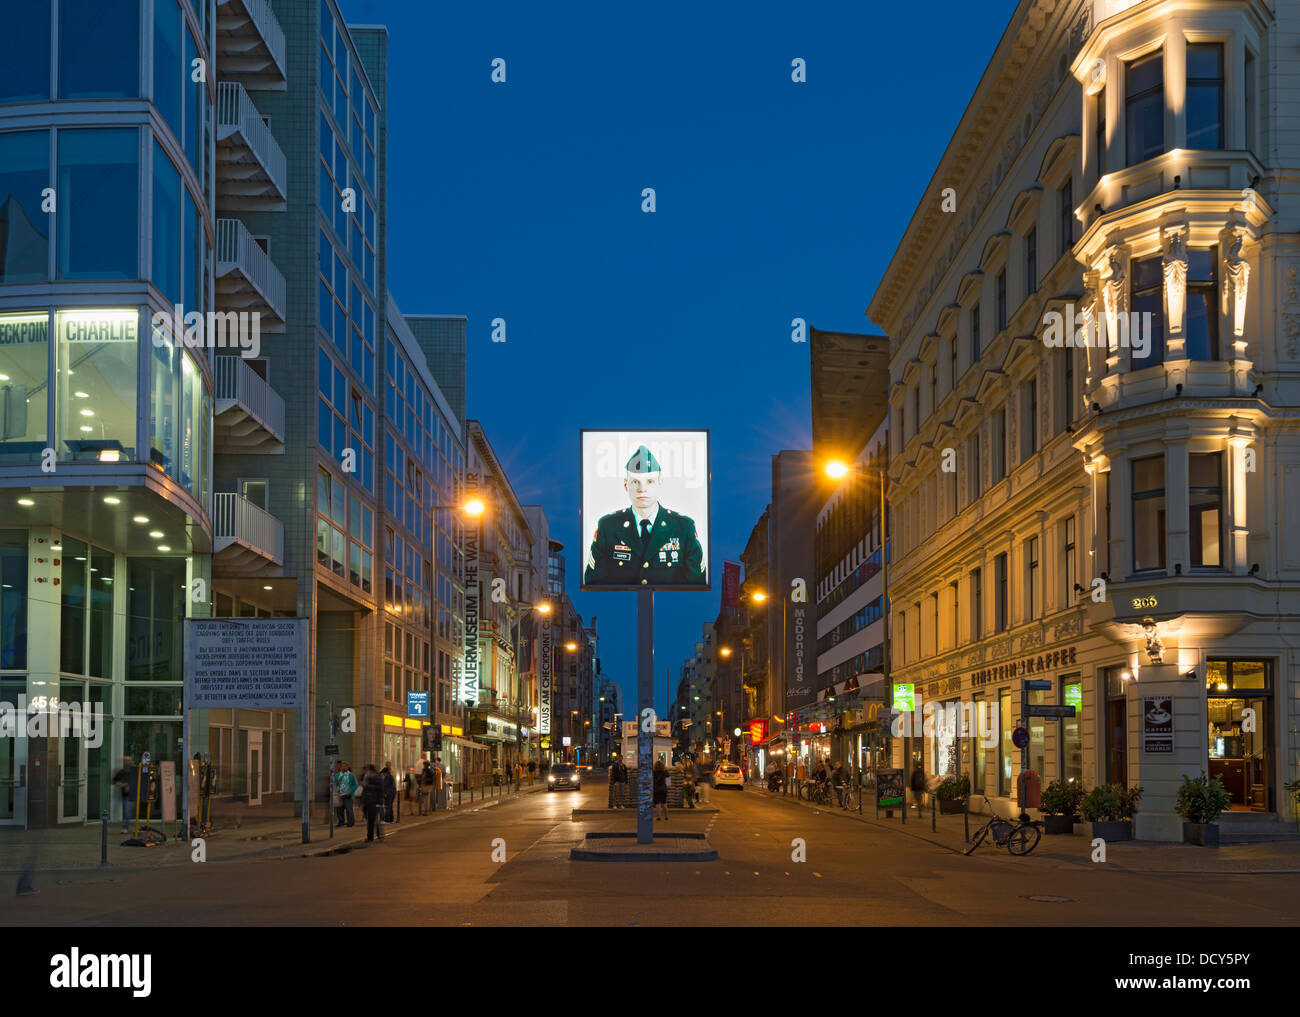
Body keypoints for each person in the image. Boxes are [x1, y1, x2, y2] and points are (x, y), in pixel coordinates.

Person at [583, 444, 706, 587]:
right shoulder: (608, 527)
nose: (642, 489)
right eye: (635, 482)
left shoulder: (684, 528)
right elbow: (594, 583)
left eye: (650, 482)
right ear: (625, 485)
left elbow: (696, 583)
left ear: (660, 483)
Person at [112, 756, 137, 833]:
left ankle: (128, 826)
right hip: (126, 795)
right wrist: (124, 785)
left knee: (130, 812)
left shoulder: (136, 771)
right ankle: (125, 827)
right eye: (126, 761)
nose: (127, 762)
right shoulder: (121, 772)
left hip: (136, 794)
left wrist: (131, 786)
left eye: (129, 760)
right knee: (127, 811)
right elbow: (115, 782)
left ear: (132, 761)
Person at [361, 764, 386, 841]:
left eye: (367, 770)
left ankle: (372, 836)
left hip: (374, 801)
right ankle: (377, 835)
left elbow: (380, 790)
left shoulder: (376, 778)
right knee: (372, 820)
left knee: (372, 820)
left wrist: (368, 786)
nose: (366, 772)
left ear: (370, 770)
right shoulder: (367, 778)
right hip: (369, 801)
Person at [334, 761, 357, 827]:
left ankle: (350, 822)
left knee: (349, 810)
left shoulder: (351, 775)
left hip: (348, 795)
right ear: (341, 767)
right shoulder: (337, 775)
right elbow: (334, 784)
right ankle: (341, 822)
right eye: (342, 766)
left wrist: (350, 791)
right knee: (339, 810)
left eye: (345, 766)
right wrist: (337, 784)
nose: (344, 767)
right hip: (340, 795)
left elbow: (355, 785)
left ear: (348, 767)